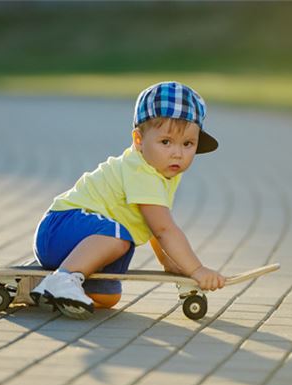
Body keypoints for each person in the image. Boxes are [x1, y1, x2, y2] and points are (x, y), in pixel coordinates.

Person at [30, 81, 225, 319]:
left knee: (108, 297)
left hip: (83, 240)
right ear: (139, 140)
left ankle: (40, 290)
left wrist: (168, 261)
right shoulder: (141, 171)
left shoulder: (162, 171)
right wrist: (196, 269)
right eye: (166, 142)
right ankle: (63, 279)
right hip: (61, 228)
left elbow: (151, 223)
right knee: (120, 238)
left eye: (188, 144)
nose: (178, 153)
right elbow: (164, 228)